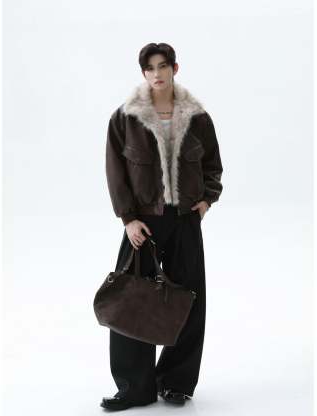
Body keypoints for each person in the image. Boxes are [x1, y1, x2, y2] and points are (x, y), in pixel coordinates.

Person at [101, 42, 224, 410]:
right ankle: (134, 387)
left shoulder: (197, 117)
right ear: (144, 73)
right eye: (150, 68)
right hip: (144, 222)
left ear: (175, 68)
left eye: (163, 66)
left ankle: (176, 381)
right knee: (132, 301)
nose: (157, 73)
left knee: (188, 299)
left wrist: (206, 200)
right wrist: (128, 218)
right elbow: (116, 173)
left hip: (186, 218)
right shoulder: (125, 118)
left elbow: (213, 165)